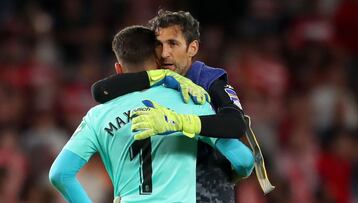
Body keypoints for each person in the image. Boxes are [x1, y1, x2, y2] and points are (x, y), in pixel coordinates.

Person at [49, 25, 254, 203]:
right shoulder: (191, 100)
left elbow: (60, 174)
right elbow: (244, 160)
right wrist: (233, 175)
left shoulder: (97, 116)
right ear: (159, 63)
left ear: (118, 69)